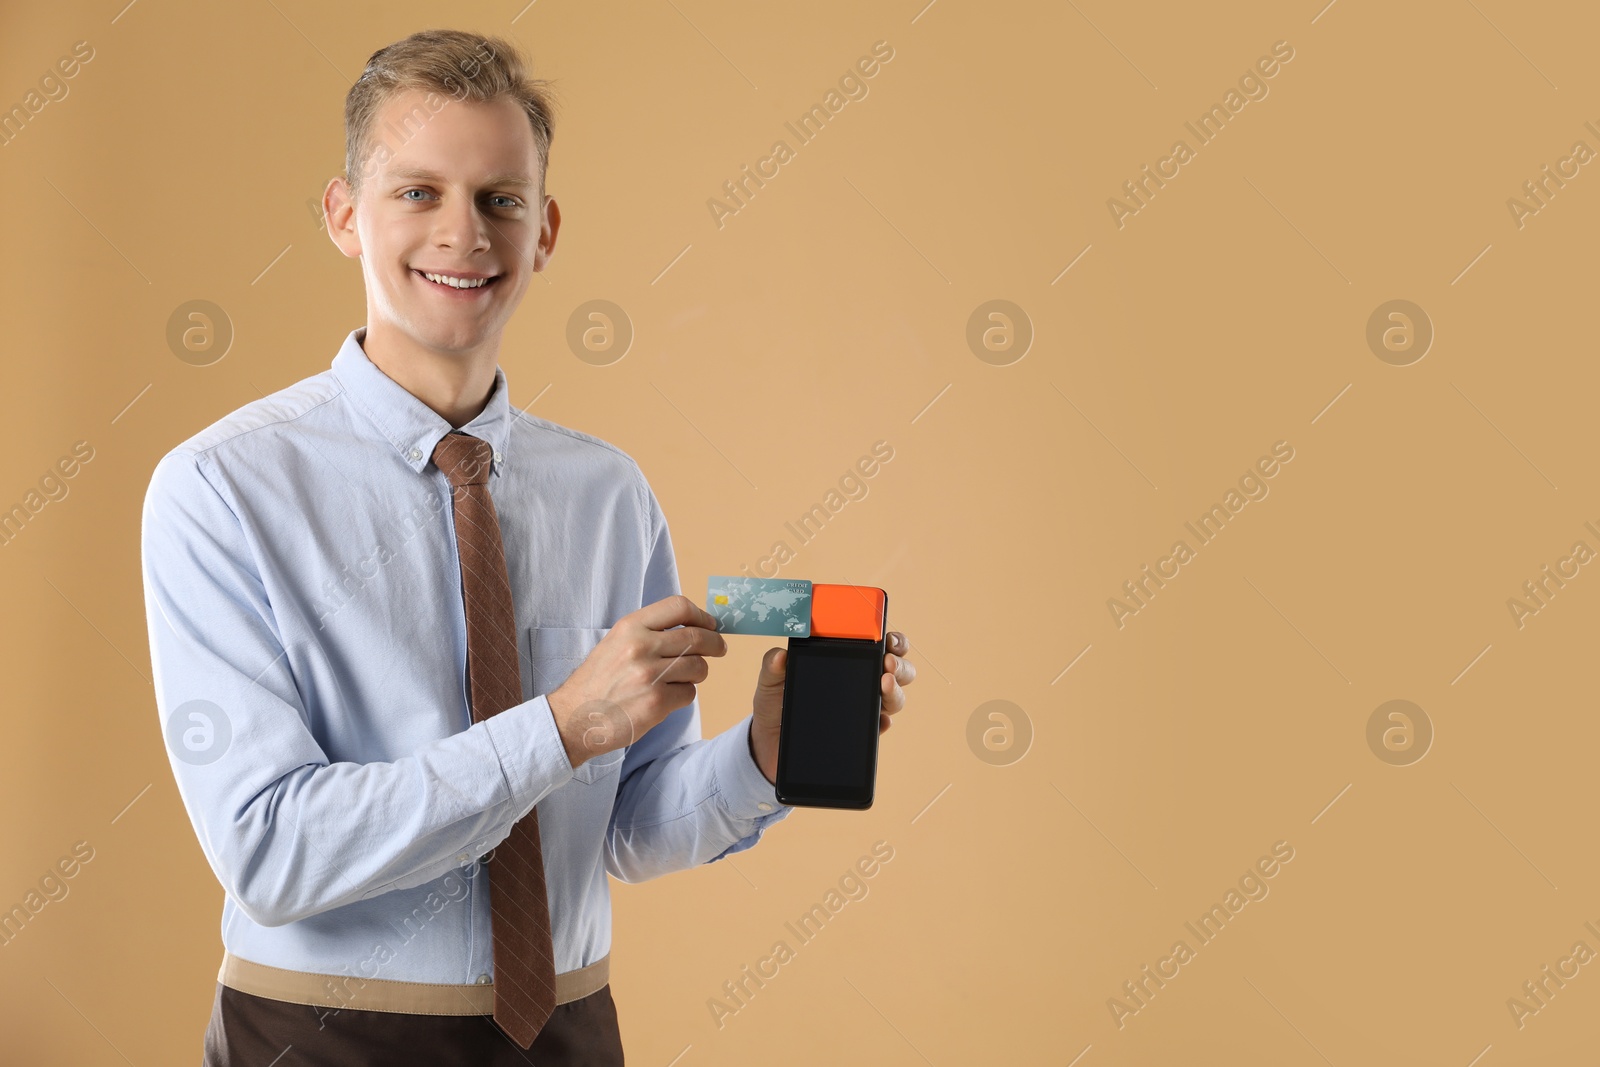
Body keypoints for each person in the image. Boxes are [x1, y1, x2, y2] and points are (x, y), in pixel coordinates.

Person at [139, 27, 916, 1066]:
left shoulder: (607, 492)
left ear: (543, 230)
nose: (463, 234)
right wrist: (561, 722)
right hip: (315, 1039)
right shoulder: (221, 487)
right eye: (417, 192)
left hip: (566, 1033)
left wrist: (766, 751)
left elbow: (632, 826)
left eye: (499, 198)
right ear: (342, 216)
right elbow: (271, 849)